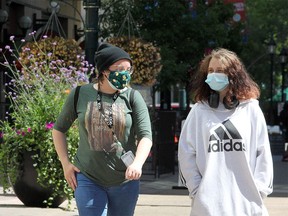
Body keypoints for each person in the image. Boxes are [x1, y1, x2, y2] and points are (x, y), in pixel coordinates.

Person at [52, 42, 153, 216]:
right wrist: (66, 164)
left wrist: (137, 163)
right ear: (104, 71)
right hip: (88, 177)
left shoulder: (133, 97)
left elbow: (146, 136)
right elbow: (58, 129)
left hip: (125, 180)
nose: (125, 74)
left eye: (128, 70)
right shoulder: (79, 94)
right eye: (119, 69)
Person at [178, 48, 273, 216]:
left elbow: (263, 152)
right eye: (211, 71)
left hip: (247, 204)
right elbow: (186, 153)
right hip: (208, 206)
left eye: (220, 71)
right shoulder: (199, 111)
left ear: (233, 75)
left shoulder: (251, 109)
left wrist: (259, 190)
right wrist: (197, 190)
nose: (214, 75)